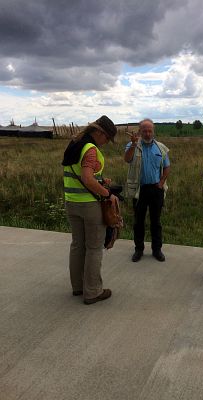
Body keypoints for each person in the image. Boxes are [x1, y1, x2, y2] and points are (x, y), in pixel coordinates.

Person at [62, 115, 117, 304]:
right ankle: (93, 291)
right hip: (89, 205)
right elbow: (87, 179)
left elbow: (80, 174)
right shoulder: (91, 149)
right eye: (107, 137)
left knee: (77, 245)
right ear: (99, 132)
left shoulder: (75, 143)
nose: (107, 142)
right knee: (94, 248)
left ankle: (78, 287)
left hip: (71, 202)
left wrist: (100, 180)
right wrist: (106, 193)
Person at [124, 118, 170, 262]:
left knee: (156, 222)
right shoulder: (133, 146)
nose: (148, 134)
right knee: (138, 222)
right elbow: (127, 159)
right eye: (144, 131)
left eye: (150, 131)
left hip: (156, 190)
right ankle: (139, 250)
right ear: (140, 131)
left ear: (153, 131)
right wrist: (132, 144)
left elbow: (167, 166)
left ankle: (157, 250)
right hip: (140, 190)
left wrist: (162, 181)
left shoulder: (161, 147)